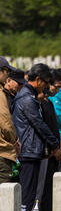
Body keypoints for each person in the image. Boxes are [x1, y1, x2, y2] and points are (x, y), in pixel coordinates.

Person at [11, 64, 60, 211]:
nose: (46, 87)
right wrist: (54, 144)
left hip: (32, 151)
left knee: (31, 193)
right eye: (45, 82)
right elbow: (39, 125)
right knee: (27, 193)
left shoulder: (30, 96)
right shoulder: (27, 99)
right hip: (29, 152)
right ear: (38, 79)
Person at [36, 69, 61, 211]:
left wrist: (59, 146)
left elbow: (54, 128)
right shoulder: (40, 104)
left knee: (49, 189)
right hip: (45, 152)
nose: (56, 90)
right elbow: (43, 129)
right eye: (54, 86)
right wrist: (53, 148)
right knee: (41, 190)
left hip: (54, 149)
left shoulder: (48, 103)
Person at [0, 56, 19, 184]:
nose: (8, 76)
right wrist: (15, 140)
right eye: (7, 71)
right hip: (2, 152)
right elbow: (5, 123)